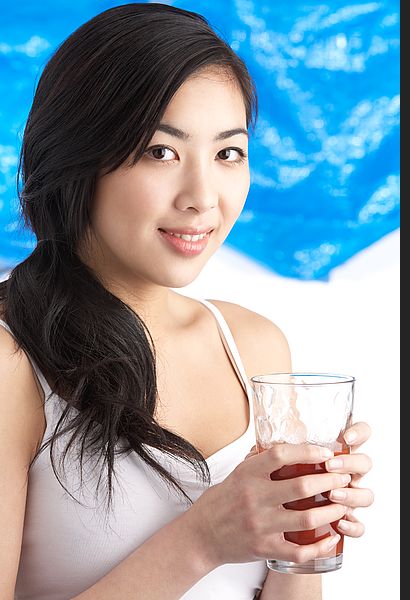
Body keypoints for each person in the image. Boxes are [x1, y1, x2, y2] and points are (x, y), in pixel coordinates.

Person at [0, 3, 373, 599]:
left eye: (228, 153)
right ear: (76, 158)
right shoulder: (11, 360)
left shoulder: (253, 346)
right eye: (160, 151)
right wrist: (202, 538)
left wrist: (301, 534)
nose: (204, 197)